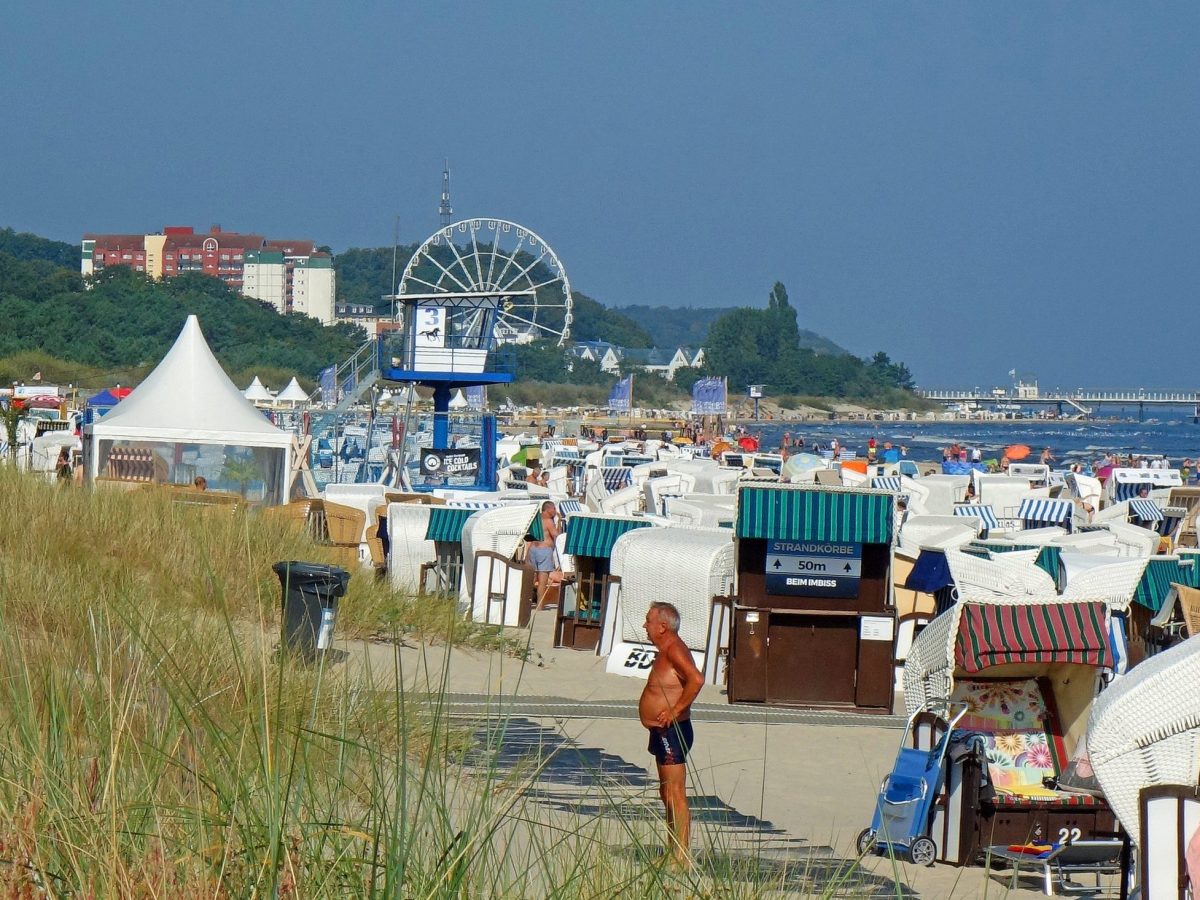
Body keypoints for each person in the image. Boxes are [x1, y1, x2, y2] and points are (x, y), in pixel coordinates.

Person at [639, 602, 705, 866]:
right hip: (661, 731)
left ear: (662, 626)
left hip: (673, 732)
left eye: (648, 621)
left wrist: (676, 710)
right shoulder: (664, 650)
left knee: (675, 792)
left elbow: (697, 680)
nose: (645, 625)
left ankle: (682, 857)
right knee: (665, 793)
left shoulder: (675, 650)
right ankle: (673, 851)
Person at [529, 501, 561, 609]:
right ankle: (539, 606)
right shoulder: (548, 521)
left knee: (531, 579)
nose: (555, 511)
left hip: (533, 549)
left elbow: (530, 537)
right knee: (542, 581)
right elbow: (557, 536)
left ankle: (526, 604)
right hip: (544, 550)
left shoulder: (535, 519)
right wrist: (559, 522)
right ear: (548, 509)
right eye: (554, 509)